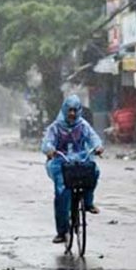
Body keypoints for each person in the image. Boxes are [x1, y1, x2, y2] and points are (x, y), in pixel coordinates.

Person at [41, 95, 104, 244]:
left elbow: (94, 138)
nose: (72, 114)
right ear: (64, 110)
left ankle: (88, 202)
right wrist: (49, 150)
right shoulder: (56, 127)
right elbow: (47, 142)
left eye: (75, 110)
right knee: (62, 192)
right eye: (69, 110)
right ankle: (62, 232)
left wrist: (98, 147)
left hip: (80, 160)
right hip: (60, 162)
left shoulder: (83, 125)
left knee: (93, 171)